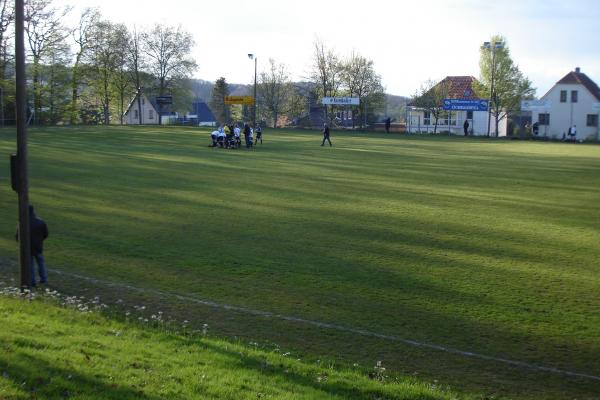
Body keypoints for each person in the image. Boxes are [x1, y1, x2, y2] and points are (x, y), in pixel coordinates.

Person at [15, 205, 49, 287]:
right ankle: (43, 278)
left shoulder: (22, 222)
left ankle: (33, 281)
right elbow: (46, 234)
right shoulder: (41, 222)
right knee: (41, 262)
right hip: (38, 247)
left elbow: (17, 236)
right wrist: (39, 241)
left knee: (30, 265)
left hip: (27, 247)